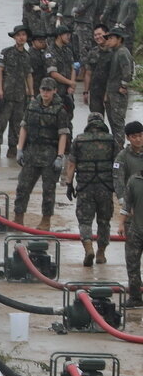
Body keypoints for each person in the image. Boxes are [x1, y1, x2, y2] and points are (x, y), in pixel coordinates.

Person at [15, 78, 71, 229]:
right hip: (31, 152)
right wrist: (19, 149)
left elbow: (63, 135)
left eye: (48, 90)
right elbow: (24, 127)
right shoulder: (32, 105)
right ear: (39, 90)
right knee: (22, 187)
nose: (45, 93)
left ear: (54, 91)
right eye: (43, 89)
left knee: (48, 190)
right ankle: (18, 217)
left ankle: (46, 220)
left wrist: (60, 156)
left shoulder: (60, 110)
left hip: (50, 154)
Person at [63, 113, 118, 265]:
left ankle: (88, 248)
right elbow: (117, 164)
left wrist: (69, 184)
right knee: (104, 221)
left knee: (85, 221)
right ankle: (101, 253)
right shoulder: (111, 140)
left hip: (85, 186)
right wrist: (118, 185)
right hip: (106, 187)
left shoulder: (79, 140)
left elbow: (71, 164)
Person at [0, 26, 34, 159]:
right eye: (19, 35)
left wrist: (31, 94)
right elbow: (0, 71)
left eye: (24, 35)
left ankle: (12, 149)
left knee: (17, 124)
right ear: (14, 37)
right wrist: (0, 88)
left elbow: (29, 75)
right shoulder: (6, 52)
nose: (21, 37)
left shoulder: (27, 56)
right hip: (5, 94)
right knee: (1, 122)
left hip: (20, 96)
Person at [119, 121, 143, 303]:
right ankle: (135, 296)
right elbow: (118, 181)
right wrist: (122, 219)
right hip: (133, 219)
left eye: (141, 135)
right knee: (132, 261)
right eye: (134, 136)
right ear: (128, 138)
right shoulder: (123, 158)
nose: (138, 139)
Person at [104, 26, 134, 148]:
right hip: (111, 92)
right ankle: (117, 147)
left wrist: (124, 85)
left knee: (118, 123)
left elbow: (127, 71)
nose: (109, 40)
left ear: (119, 39)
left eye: (111, 38)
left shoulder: (122, 52)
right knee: (113, 122)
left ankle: (119, 149)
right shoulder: (115, 52)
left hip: (118, 93)